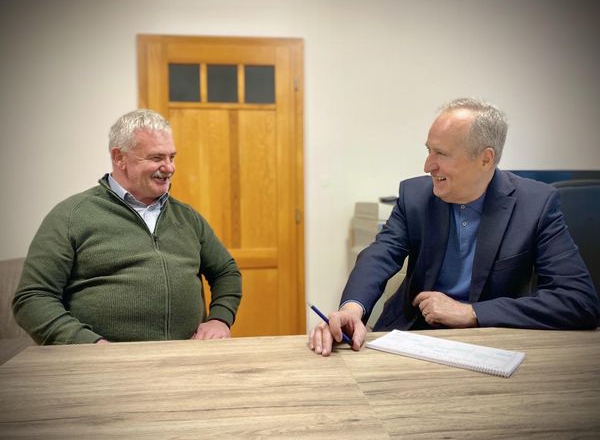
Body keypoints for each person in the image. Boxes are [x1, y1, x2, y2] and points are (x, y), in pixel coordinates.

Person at [310, 98, 600, 356]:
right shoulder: (415, 196)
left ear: (485, 159)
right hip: (412, 335)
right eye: (428, 150)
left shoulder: (535, 204)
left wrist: (471, 312)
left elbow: (580, 301)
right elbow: (380, 254)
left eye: (441, 153)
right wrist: (352, 308)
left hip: (492, 343)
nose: (427, 165)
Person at [13, 109, 242, 344]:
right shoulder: (71, 216)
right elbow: (32, 298)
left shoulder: (187, 217)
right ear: (119, 157)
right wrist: (89, 345)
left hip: (187, 354)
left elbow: (226, 272)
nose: (169, 167)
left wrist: (220, 319)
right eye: (156, 158)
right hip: (103, 360)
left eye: (171, 157)